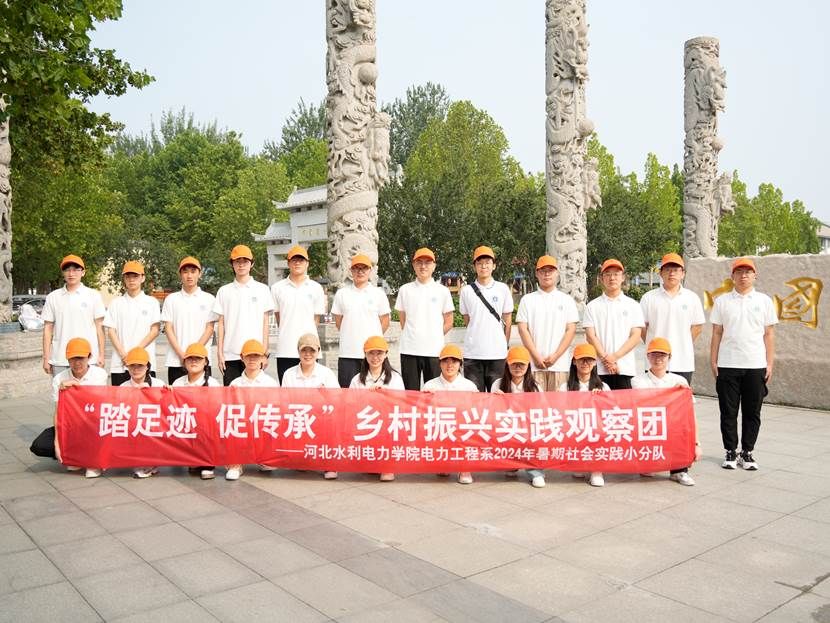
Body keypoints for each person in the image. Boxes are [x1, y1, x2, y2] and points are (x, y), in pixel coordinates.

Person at [710, 257, 777, 471]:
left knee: (752, 412)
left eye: (748, 272)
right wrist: (713, 360)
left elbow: (769, 334)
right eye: (739, 272)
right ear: (732, 276)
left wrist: (769, 363)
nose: (743, 275)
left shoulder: (764, 301)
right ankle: (730, 451)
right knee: (728, 411)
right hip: (728, 363)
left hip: (755, 364)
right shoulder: (722, 301)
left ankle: (747, 452)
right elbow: (717, 332)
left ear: (755, 276)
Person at [631, 338, 701, 486]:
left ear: (669, 357)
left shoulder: (679, 380)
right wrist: (672, 394)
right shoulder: (638, 380)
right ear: (648, 356)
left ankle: (679, 470)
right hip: (649, 428)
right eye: (654, 354)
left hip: (672, 427)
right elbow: (647, 404)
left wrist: (696, 443)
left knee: (680, 425)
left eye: (662, 355)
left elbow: (690, 415)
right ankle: (649, 463)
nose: (658, 359)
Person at [213, 245, 274, 386]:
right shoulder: (224, 291)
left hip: (255, 353)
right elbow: (221, 324)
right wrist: (220, 353)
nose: (241, 265)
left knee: (255, 394)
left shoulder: (262, 289)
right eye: (237, 261)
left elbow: (265, 322)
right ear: (232, 264)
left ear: (252, 264)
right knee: (232, 395)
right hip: (230, 353)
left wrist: (264, 352)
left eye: (245, 261)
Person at [516, 255, 579, 392]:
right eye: (543, 271)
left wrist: (556, 356)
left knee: (559, 403)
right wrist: (536, 356)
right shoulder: (527, 300)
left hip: (560, 365)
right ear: (537, 274)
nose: (547, 274)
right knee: (535, 402)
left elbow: (571, 330)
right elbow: (522, 329)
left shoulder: (566, 300)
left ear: (557, 273)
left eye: (550, 270)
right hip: (534, 365)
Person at [640, 253, 705, 383]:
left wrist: (683, 341)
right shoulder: (648, 298)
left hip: (682, 361)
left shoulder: (691, 298)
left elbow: (697, 327)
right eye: (668, 270)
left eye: (676, 270)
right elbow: (642, 327)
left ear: (683, 274)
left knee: (680, 395)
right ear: (661, 273)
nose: (672, 273)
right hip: (655, 362)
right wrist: (654, 344)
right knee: (655, 396)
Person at [394, 247, 454, 390]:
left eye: (427, 262)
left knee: (433, 393)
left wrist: (434, 335)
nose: (423, 266)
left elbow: (449, 321)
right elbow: (403, 320)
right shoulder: (405, 290)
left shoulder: (442, 291)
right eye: (419, 262)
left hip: (434, 351)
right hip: (409, 350)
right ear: (413, 265)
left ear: (434, 266)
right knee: (410, 393)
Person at [348, 335, 405, 483]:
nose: (375, 357)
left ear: (386, 354)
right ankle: (370, 459)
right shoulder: (356, 380)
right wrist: (367, 397)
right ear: (365, 354)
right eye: (371, 353)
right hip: (365, 422)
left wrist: (385, 395)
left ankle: (387, 465)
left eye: (379, 353)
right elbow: (350, 406)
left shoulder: (395, 378)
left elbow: (401, 404)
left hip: (387, 423)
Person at [583, 259, 645, 390]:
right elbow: (590, 336)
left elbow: (635, 336)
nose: (612, 278)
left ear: (623, 277)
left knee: (624, 403)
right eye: (608, 274)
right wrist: (606, 359)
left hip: (625, 368)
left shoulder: (633, 305)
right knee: (599, 402)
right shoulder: (592, 306)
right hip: (599, 369)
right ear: (601, 278)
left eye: (616, 274)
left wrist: (614, 357)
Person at [331, 253, 391, 388]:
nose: (360, 271)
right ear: (351, 271)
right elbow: (339, 322)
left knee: (374, 392)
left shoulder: (378, 294)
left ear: (370, 270)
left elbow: (385, 321)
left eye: (364, 268)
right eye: (356, 268)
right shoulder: (342, 294)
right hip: (348, 353)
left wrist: (373, 340)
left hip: (373, 355)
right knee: (347, 393)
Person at [459, 246, 513, 392]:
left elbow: (507, 320)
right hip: (473, 354)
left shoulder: (502, 289)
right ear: (474, 266)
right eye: (479, 263)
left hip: (497, 353)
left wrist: (504, 343)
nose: (484, 266)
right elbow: (467, 319)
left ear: (494, 265)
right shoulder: (466, 291)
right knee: (475, 397)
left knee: (499, 396)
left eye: (487, 262)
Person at [52, 337, 108, 478]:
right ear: (67, 359)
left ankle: (94, 462)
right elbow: (58, 411)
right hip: (72, 423)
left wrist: (76, 388)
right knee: (40, 445)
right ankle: (75, 457)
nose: (77, 363)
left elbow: (98, 401)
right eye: (72, 359)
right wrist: (57, 442)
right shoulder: (59, 379)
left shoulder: (100, 374)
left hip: (94, 421)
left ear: (89, 357)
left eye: (81, 358)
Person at [42, 255, 106, 377]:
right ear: (63, 273)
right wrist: (46, 357)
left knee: (88, 390)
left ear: (83, 272)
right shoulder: (53, 297)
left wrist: (102, 355)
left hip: (88, 358)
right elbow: (47, 328)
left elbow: (100, 327)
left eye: (76, 270)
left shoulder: (93, 295)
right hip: (60, 358)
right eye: (67, 270)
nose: (71, 274)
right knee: (61, 389)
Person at [423, 344, 479, 484]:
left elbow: (477, 412)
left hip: (462, 428)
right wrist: (425, 399)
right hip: (440, 428)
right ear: (439, 363)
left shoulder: (469, 386)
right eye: (445, 361)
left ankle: (464, 468)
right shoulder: (430, 385)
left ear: (460, 364)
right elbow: (421, 412)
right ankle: (443, 461)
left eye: (454, 361)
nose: (449, 365)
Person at [491, 345, 545, 488]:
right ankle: (511, 463)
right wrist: (496, 400)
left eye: (522, 364)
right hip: (506, 425)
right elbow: (492, 412)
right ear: (507, 365)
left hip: (527, 427)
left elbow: (540, 413)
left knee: (534, 437)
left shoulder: (535, 387)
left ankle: (535, 472)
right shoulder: (498, 384)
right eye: (514, 364)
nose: (518, 367)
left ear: (528, 366)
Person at [271, 244, 326, 384]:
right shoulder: (277, 288)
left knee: (312, 389)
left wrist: (308, 341)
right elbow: (279, 317)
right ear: (288, 263)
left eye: (301, 260)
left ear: (307, 263)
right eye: (294, 260)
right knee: (287, 390)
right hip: (285, 349)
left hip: (310, 349)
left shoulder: (316, 288)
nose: (297, 263)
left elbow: (316, 319)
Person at [225, 339, 279, 481]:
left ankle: (263, 457)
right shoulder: (235, 384)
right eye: (249, 356)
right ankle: (235, 464)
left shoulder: (271, 383)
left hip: (262, 425)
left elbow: (277, 410)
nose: (252, 359)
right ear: (242, 358)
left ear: (262, 358)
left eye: (256, 355)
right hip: (242, 426)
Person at [560, 343, 610, 487]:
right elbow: (560, 412)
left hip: (596, 430)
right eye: (581, 359)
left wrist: (601, 399)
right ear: (574, 362)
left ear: (595, 363)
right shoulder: (565, 387)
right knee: (577, 471)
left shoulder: (603, 387)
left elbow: (611, 413)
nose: (585, 363)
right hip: (574, 428)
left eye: (589, 359)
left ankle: (597, 471)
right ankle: (578, 461)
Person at [103, 261, 161, 386]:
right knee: (120, 397)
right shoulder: (116, 303)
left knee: (146, 397)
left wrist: (136, 354)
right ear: (124, 279)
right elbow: (111, 331)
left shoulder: (151, 302)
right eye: (128, 276)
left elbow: (155, 330)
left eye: (135, 276)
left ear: (143, 278)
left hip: (144, 362)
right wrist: (123, 355)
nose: (131, 279)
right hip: (120, 363)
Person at [160, 256, 216, 385]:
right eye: (185, 272)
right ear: (180, 274)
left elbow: (209, 328)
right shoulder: (171, 299)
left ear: (200, 274)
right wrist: (182, 355)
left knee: (203, 396)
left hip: (201, 360)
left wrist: (194, 353)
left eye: (193, 271)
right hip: (177, 360)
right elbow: (168, 328)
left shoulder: (209, 299)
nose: (189, 275)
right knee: (177, 396)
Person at [171, 342, 221, 480]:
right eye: (190, 358)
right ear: (184, 362)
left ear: (205, 362)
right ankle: (191, 457)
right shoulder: (177, 383)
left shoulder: (213, 384)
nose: (194, 361)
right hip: (186, 426)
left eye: (198, 358)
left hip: (206, 429)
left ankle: (207, 463)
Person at [119, 347, 165, 479]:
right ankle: (142, 461)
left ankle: (151, 461)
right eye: (132, 366)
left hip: (153, 425)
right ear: (127, 367)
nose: (136, 369)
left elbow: (165, 409)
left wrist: (151, 393)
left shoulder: (159, 384)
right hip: (132, 426)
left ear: (147, 367)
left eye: (140, 365)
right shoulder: (123, 387)